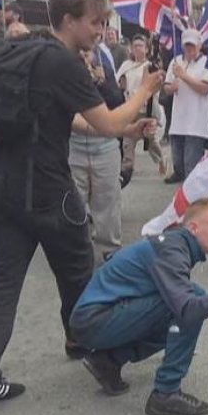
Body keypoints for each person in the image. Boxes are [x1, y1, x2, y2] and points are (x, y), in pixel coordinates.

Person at [0, 0, 162, 412]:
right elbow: (106, 122)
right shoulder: (62, 63)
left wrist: (125, 129)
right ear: (69, 20)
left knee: (1, 282)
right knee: (81, 277)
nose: (100, 30)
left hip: (1, 186)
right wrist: (143, 93)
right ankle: (97, 353)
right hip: (49, 191)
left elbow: (59, 119)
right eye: (94, 22)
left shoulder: (18, 50)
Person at [70, 198, 208, 415]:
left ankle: (109, 361)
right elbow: (189, 311)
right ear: (193, 228)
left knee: (185, 299)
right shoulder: (171, 250)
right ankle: (166, 393)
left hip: (98, 317)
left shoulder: (175, 245)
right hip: (94, 320)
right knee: (190, 303)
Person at [69, 46, 126, 261]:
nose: (84, 56)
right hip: (74, 145)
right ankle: (74, 246)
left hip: (104, 145)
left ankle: (110, 248)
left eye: (87, 53)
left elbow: (117, 104)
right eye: (80, 53)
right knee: (73, 199)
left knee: (108, 200)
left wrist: (105, 83)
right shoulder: (66, 73)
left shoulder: (105, 72)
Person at [162, 29, 208, 183]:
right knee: (178, 164)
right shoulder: (176, 61)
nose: (189, 49)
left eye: (193, 46)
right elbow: (166, 87)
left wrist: (184, 76)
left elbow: (205, 89)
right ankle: (182, 191)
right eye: (187, 46)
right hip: (178, 122)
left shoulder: (207, 62)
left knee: (190, 165)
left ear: (200, 45)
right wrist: (172, 88)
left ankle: (191, 197)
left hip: (196, 124)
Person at [116, 34, 168, 178]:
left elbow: (156, 86)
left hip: (146, 108)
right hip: (129, 106)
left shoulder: (150, 66)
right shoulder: (126, 65)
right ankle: (127, 169)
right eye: (135, 46)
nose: (137, 49)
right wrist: (122, 83)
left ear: (146, 49)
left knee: (150, 140)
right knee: (128, 140)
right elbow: (118, 81)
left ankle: (161, 160)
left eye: (140, 46)